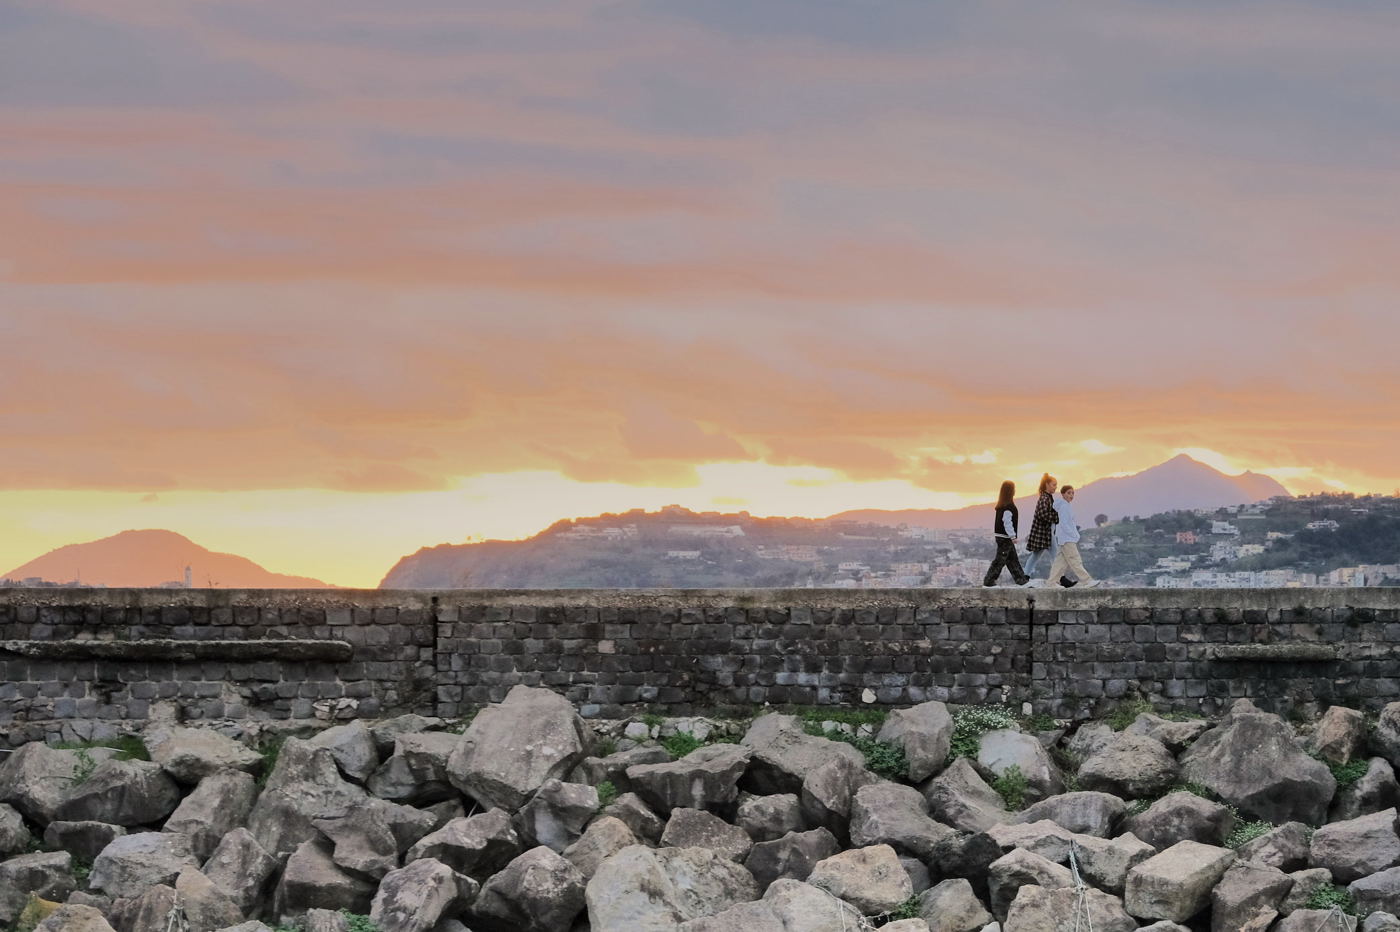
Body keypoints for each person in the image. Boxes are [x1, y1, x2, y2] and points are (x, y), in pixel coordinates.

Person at [1046, 484, 1100, 588]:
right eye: (1069, 493)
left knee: (1060, 562)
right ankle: (1087, 580)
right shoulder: (1064, 506)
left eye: (1073, 493)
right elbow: (1064, 524)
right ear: (1063, 494)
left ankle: (1051, 582)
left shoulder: (1064, 506)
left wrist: (1074, 535)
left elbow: (1066, 524)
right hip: (1067, 539)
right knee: (1075, 560)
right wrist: (1074, 535)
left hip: (1063, 538)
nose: (1071, 495)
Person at [983, 480, 1031, 587]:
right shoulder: (1009, 507)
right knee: (1000, 560)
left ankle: (1021, 580)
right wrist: (1012, 536)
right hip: (1005, 537)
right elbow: (1007, 523)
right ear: (1010, 491)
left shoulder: (1001, 506)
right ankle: (989, 581)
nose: (1015, 491)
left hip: (1001, 536)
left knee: (1012, 559)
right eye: (1013, 489)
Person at [1023, 473, 1058, 583]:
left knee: (1036, 556)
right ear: (1047, 484)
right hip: (1045, 533)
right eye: (1054, 485)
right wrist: (1057, 517)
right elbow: (1043, 514)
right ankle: (1058, 579)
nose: (1055, 487)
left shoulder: (1046, 497)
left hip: (1045, 533)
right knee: (1056, 556)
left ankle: (1025, 577)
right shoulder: (1045, 498)